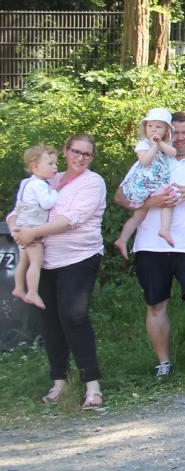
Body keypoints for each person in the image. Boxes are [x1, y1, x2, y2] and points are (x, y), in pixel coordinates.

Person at [113, 112, 185, 379]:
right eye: (174, 132)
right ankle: (163, 364)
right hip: (151, 244)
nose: (179, 137)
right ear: (166, 132)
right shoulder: (149, 157)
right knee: (156, 304)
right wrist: (147, 203)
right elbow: (121, 195)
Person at [9, 134, 105, 408]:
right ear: (66, 150)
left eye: (87, 154)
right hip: (46, 259)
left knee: (73, 316)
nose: (80, 158)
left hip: (79, 256)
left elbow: (71, 219)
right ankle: (59, 383)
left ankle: (92, 385)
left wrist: (33, 231)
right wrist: (18, 227)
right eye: (76, 151)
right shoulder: (48, 176)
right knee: (49, 321)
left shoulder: (93, 182)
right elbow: (19, 208)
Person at [114, 108, 178, 259]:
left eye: (158, 127)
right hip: (144, 183)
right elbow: (144, 161)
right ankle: (123, 239)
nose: (153, 130)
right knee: (141, 214)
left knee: (164, 203)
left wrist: (160, 143)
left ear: (166, 130)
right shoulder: (143, 144)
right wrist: (154, 146)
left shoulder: (165, 144)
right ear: (145, 128)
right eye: (150, 126)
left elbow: (173, 153)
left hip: (157, 182)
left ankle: (163, 229)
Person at [9, 145, 58, 309]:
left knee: (23, 260)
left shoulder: (26, 183)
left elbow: (18, 206)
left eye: (55, 163)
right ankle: (32, 292)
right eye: (50, 164)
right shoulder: (40, 185)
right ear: (35, 166)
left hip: (21, 226)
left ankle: (18, 287)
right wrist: (56, 191)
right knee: (36, 262)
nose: (55, 167)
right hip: (31, 229)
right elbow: (47, 203)